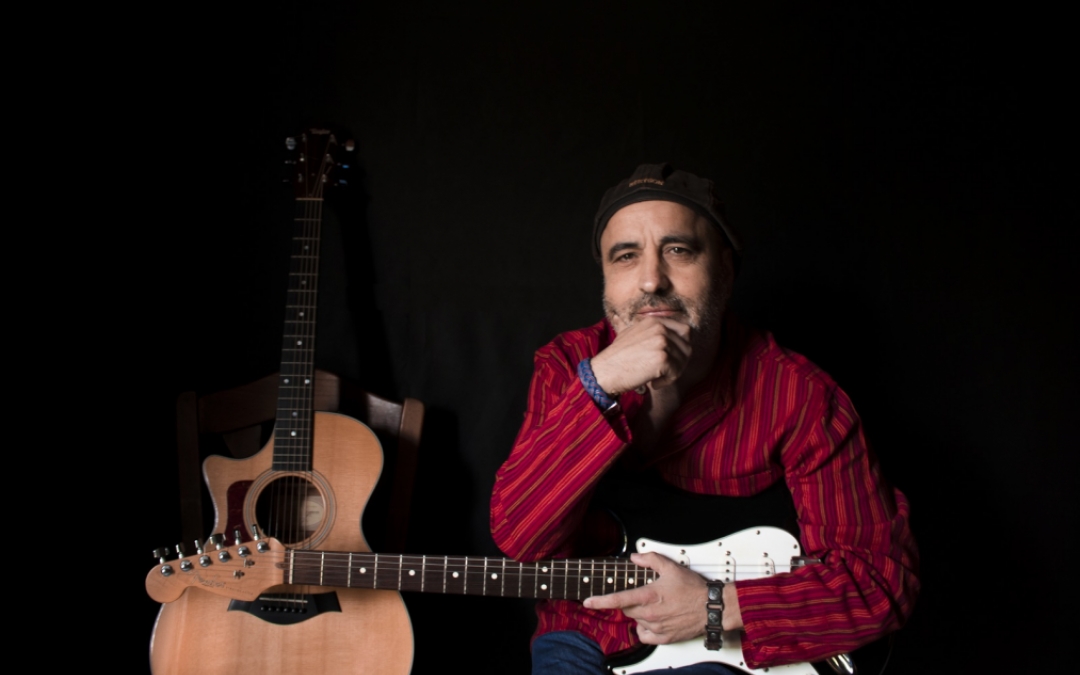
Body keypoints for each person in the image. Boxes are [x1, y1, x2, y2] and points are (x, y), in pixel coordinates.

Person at [490, 163, 919, 674]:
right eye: (626, 256)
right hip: (585, 634)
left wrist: (717, 606)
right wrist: (599, 386)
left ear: (726, 271)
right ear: (606, 278)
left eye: (678, 250)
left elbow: (879, 580)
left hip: (726, 651)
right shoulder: (567, 366)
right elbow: (521, 540)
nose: (652, 280)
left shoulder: (800, 397)